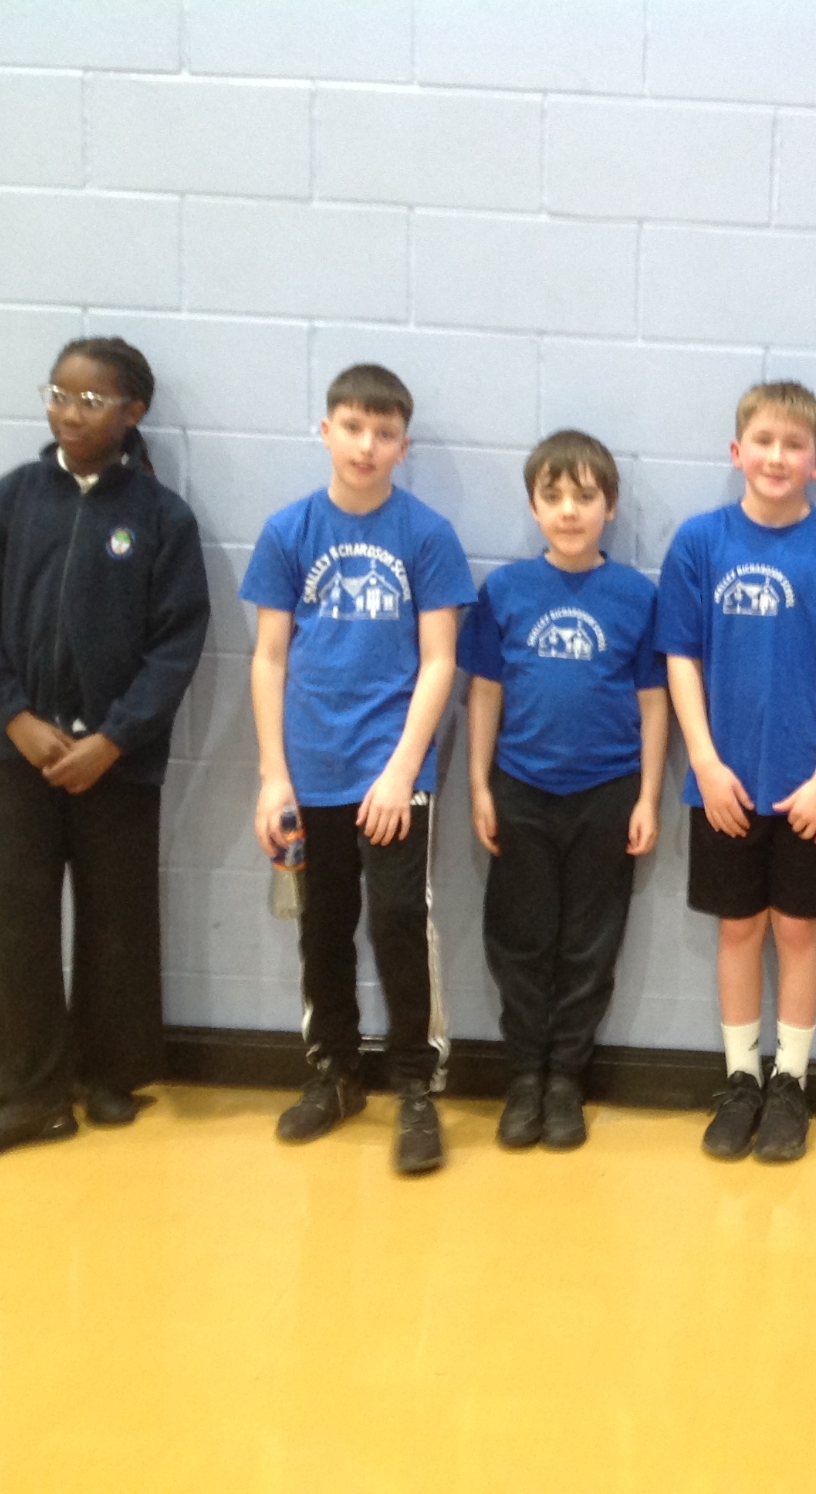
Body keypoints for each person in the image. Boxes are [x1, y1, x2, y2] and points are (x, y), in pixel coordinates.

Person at [0, 337, 209, 1162]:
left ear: (133, 412)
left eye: (91, 400)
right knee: (20, 915)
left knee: (117, 913)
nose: (69, 412)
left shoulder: (162, 518)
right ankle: (30, 1091)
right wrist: (17, 720)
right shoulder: (11, 501)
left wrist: (115, 738)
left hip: (117, 762)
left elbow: (176, 645)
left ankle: (108, 1072)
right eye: (59, 394)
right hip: (19, 753)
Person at [241, 364, 476, 1176]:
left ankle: (415, 1086)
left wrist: (402, 769)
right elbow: (269, 659)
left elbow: (440, 661)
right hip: (310, 770)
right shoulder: (289, 531)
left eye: (384, 433)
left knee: (400, 921)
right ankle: (334, 1073)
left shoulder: (426, 535)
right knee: (323, 924)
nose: (366, 445)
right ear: (326, 431)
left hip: (393, 772)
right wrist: (274, 776)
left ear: (403, 446)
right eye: (352, 427)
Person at [656, 381, 816, 1163]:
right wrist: (704, 761)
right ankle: (740, 1081)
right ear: (737, 452)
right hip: (723, 782)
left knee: (797, 929)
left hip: (808, 786)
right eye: (763, 440)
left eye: (795, 445)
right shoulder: (699, 543)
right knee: (738, 927)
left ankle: (790, 1081)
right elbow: (680, 658)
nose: (777, 456)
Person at [459, 430, 668, 1152]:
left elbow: (654, 704)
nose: (569, 510)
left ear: (610, 506)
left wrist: (647, 797)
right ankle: (524, 1077)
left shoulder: (637, 596)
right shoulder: (505, 592)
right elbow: (484, 692)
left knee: (588, 945)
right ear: (533, 507)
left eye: (585, 496)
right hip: (520, 789)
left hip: (608, 792)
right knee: (519, 942)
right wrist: (479, 785)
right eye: (553, 496)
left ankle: (565, 1082)